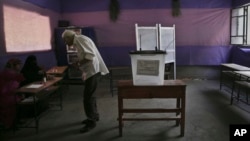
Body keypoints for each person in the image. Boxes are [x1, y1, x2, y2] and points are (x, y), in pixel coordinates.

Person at [62, 29, 109, 133]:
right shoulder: (80, 39)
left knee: (87, 98)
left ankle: (91, 121)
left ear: (69, 37)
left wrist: (78, 63)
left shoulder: (79, 40)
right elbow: (87, 55)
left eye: (65, 40)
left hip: (92, 72)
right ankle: (94, 116)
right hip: (91, 71)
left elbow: (89, 56)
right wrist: (79, 62)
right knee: (90, 96)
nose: (65, 43)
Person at [0, 58, 24, 129]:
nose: (20, 66)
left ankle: (15, 121)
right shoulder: (8, 72)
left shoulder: (11, 72)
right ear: (13, 65)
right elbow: (21, 78)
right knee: (11, 108)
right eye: (18, 65)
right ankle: (10, 125)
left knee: (17, 105)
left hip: (12, 93)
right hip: (5, 95)